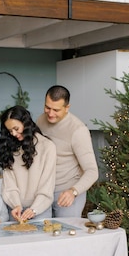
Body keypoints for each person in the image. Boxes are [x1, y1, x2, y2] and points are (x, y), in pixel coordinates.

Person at [36, 85, 98, 218]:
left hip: (67, 193)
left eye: (56, 110)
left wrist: (73, 192)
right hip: (43, 191)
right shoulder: (40, 120)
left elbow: (92, 171)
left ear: (67, 108)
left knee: (66, 235)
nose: (50, 113)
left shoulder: (78, 130)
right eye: (47, 107)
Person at [0, 105, 56, 222]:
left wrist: (34, 209)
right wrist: (16, 205)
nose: (13, 133)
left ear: (26, 123)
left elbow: (47, 185)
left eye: (16, 128)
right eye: (9, 131)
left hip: (41, 211)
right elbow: (9, 186)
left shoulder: (47, 147)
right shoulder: (9, 149)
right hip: (15, 211)